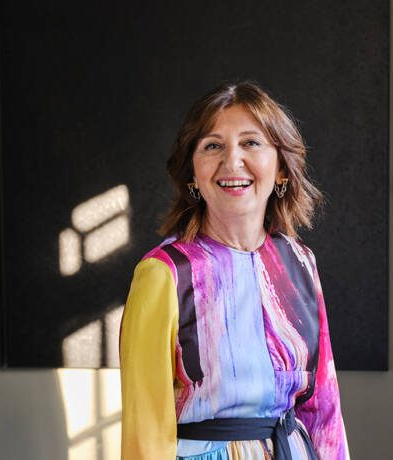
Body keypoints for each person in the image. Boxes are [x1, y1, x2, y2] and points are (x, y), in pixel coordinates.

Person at [119, 81, 350, 460]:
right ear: (192, 173)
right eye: (212, 146)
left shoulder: (300, 262)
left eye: (251, 143)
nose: (232, 161)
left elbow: (324, 408)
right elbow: (144, 433)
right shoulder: (164, 274)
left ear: (281, 168)